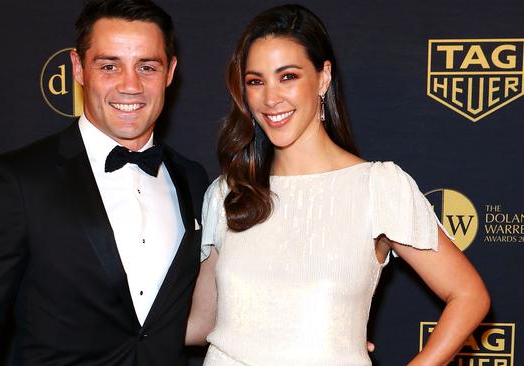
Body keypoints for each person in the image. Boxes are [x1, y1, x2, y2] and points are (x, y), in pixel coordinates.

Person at [186, 4, 490, 365]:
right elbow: (200, 322)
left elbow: (469, 295)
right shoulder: (228, 192)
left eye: (288, 76)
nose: (270, 98)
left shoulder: (377, 187)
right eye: (256, 81)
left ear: (323, 77)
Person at [0, 0, 208, 365]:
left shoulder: (194, 180)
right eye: (109, 66)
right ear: (78, 68)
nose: (130, 85)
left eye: (147, 67)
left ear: (170, 72)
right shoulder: (18, 180)